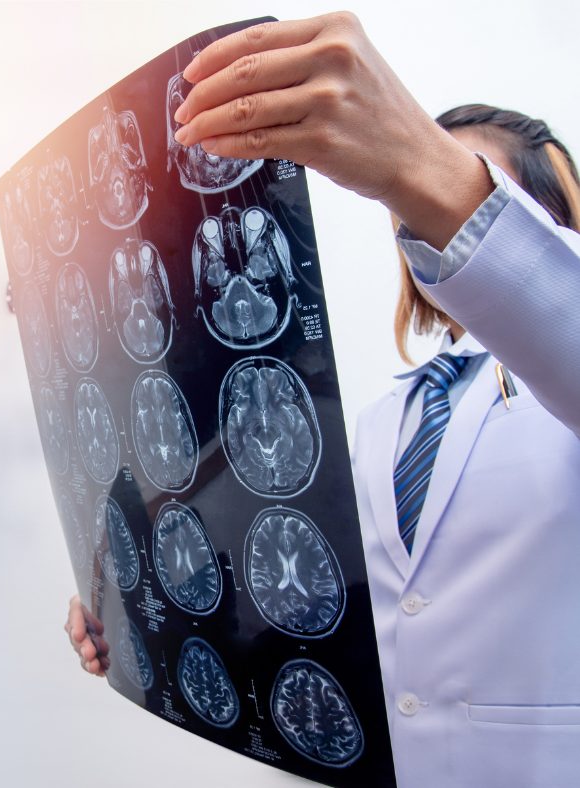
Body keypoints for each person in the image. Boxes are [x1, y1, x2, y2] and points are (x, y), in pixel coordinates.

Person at [66, 12, 580, 788]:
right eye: (407, 209)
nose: (419, 224)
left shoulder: (559, 393)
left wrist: (421, 165)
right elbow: (294, 611)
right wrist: (142, 603)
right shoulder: (379, 428)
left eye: (464, 191)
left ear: (549, 226)